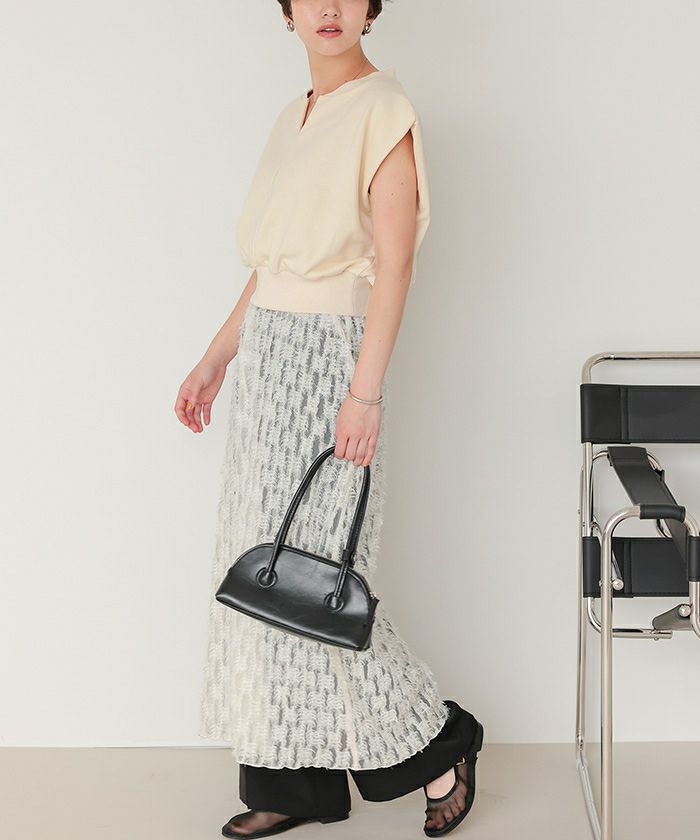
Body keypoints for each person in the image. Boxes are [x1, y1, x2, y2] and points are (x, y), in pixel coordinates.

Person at [175, 1, 484, 836]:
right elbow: (273, 265)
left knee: (320, 574)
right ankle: (293, 786)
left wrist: (364, 392)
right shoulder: (294, 116)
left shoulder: (384, 108)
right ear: (285, 11)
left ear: (372, 7)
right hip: (269, 357)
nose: (328, 7)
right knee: (266, 570)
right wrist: (217, 355)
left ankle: (441, 743)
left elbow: (395, 263)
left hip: (329, 360)